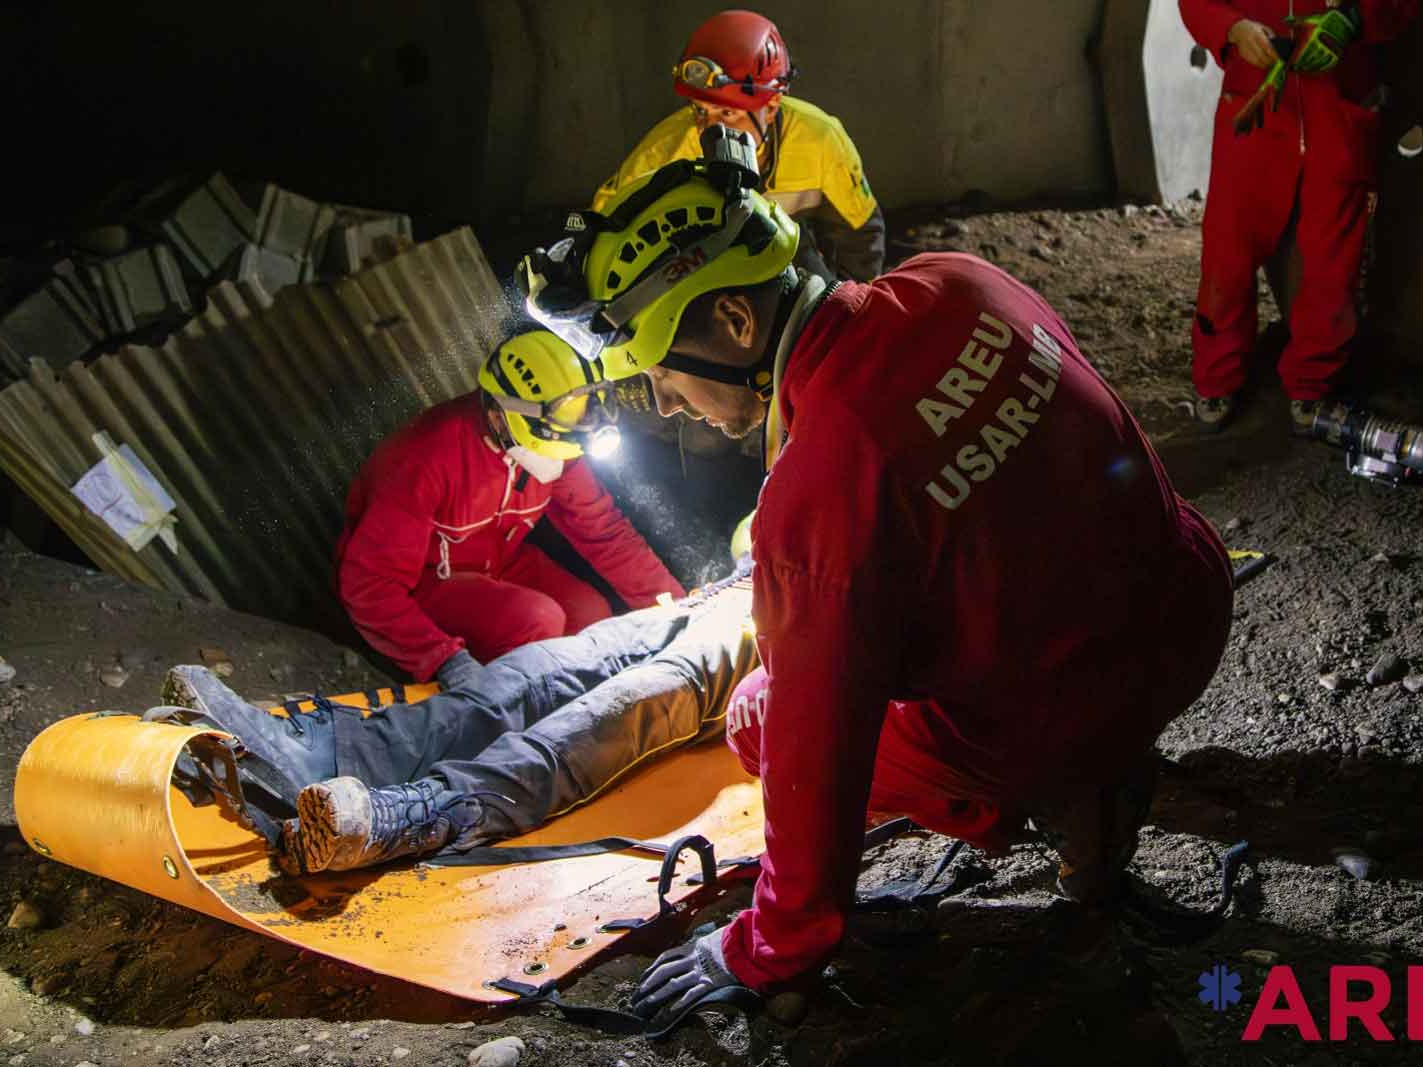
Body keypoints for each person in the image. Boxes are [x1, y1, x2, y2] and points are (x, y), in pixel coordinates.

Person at [518, 127, 1235, 1020]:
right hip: (1186, 604)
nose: (666, 402)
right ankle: (1103, 785)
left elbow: (817, 755)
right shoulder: (955, 280)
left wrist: (768, 947)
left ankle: (1067, 792)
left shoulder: (823, 479)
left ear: (736, 321)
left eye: (661, 370)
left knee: (760, 719)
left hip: (1070, 704)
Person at [160, 542, 758, 877]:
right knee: (537, 670)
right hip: (726, 594)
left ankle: (434, 810)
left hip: (777, 635)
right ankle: (330, 755)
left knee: (639, 698)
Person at [334, 331, 684, 690]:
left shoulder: (560, 437)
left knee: (590, 614)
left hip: (500, 561)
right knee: (536, 620)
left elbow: (604, 531)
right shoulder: (424, 459)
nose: (563, 461)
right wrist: (442, 658)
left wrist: (676, 608)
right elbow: (369, 586)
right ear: (500, 418)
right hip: (426, 582)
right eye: (551, 445)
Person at [1181, 0, 1419, 433]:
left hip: (1339, 108)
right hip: (1254, 102)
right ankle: (1217, 378)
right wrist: (1234, 29)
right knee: (1227, 252)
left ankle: (1313, 385)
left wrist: (1355, 18)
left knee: (1333, 260)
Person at [592, 9, 884, 283]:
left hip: (786, 246)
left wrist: (852, 310)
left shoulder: (820, 139)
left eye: (727, 113)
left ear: (771, 106)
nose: (710, 128)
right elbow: (602, 229)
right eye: (700, 110)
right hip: (699, 260)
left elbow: (859, 238)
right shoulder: (665, 150)